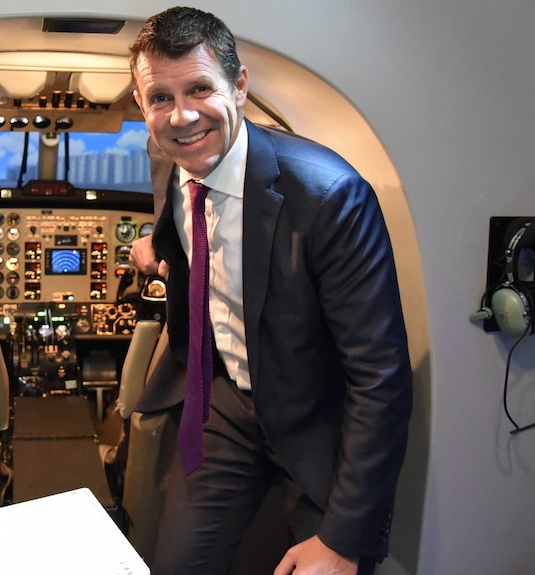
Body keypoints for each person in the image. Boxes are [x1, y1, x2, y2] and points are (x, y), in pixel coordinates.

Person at [127, 6, 413, 575]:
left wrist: (341, 541)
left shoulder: (330, 197)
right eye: (160, 97)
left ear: (239, 87)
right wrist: (155, 254)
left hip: (318, 418)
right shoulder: (171, 166)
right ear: (142, 105)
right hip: (226, 404)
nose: (181, 116)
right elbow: (193, 239)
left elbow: (380, 374)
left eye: (199, 89)